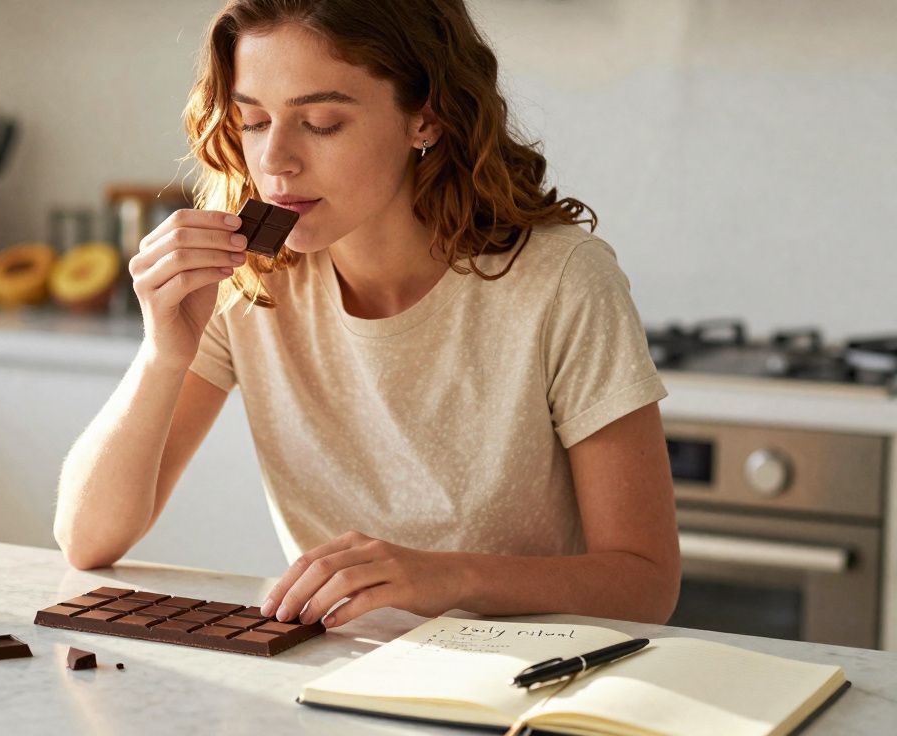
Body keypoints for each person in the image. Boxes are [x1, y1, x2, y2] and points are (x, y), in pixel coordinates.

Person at [54, 0, 680, 629]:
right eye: (253, 120)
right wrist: (163, 353)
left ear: (425, 117)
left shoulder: (562, 282)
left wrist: (449, 576)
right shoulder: (247, 281)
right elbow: (87, 541)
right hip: (331, 676)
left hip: (521, 688)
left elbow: (645, 584)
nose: (274, 162)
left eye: (321, 122)